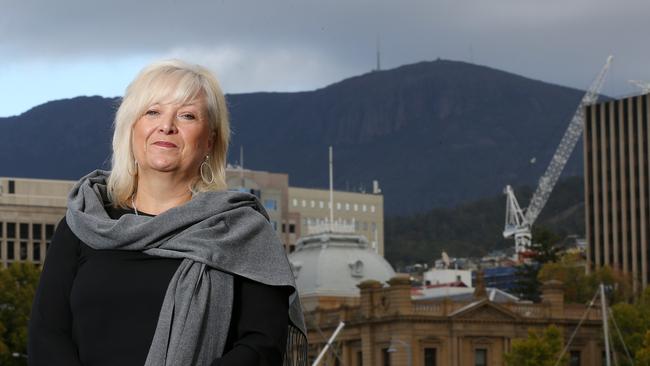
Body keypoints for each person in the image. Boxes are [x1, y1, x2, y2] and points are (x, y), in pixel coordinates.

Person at [28, 60, 307, 366]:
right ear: (131, 129)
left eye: (187, 115)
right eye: (152, 112)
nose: (167, 126)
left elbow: (261, 346)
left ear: (210, 141)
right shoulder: (85, 221)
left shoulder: (241, 231)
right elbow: (47, 336)